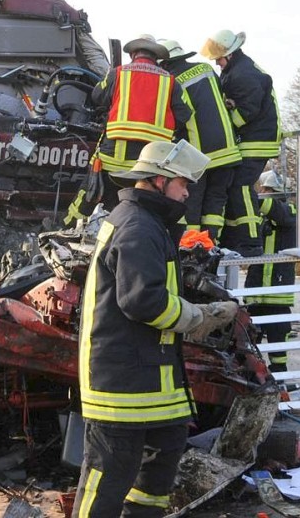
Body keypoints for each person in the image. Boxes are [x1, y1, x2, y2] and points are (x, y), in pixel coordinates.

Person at [72, 140, 240, 518]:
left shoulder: (149, 222)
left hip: (149, 385)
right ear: (158, 179)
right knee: (107, 481)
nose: (187, 191)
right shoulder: (136, 225)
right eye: (183, 182)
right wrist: (199, 317)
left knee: (157, 472)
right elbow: (142, 300)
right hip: (123, 389)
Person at [64, 34, 192, 226]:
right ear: (156, 57)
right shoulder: (170, 81)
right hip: (150, 163)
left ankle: (69, 228)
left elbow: (97, 96)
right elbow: (184, 114)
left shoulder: (118, 73)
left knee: (90, 192)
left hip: (113, 156)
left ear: (133, 54)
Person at [200, 30, 282, 256]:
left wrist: (226, 123)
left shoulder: (242, 75)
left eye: (219, 58)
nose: (217, 63)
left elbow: (247, 111)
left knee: (241, 187)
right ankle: (235, 239)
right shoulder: (240, 70)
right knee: (234, 187)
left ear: (231, 54)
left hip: (256, 141)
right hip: (253, 139)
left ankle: (251, 241)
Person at [157, 39, 242, 244]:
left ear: (164, 63)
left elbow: (179, 116)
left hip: (198, 157)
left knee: (191, 204)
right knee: (215, 204)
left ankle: (191, 250)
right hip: (228, 151)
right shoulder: (205, 69)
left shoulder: (171, 81)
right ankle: (211, 246)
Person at [243, 170, 297, 373]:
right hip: (256, 290)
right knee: (248, 334)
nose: (263, 192)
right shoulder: (260, 217)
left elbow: (277, 212)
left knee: (278, 332)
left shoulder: (290, 211)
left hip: (277, 291)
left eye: (266, 190)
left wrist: (247, 192)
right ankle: (252, 372)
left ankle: (279, 372)